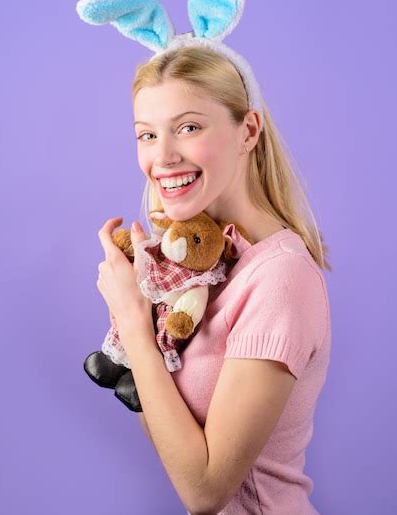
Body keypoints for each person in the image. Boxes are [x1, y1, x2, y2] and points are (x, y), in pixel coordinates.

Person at [96, 46, 331, 515]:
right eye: (146, 134)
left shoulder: (280, 278)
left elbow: (203, 491)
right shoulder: (198, 271)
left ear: (248, 130)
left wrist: (133, 325)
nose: (162, 156)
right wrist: (139, 313)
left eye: (188, 127)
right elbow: (173, 442)